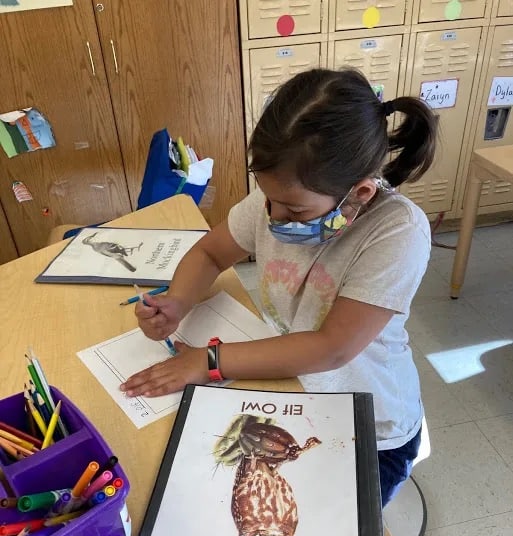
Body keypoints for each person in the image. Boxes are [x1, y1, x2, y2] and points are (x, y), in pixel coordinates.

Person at [121, 67, 438, 506]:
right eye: (267, 199)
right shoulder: (278, 197)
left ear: (360, 194)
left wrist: (209, 362)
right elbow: (210, 253)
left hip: (369, 426)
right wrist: (176, 302)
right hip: (297, 395)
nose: (273, 217)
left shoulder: (397, 231)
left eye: (293, 210)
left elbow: (331, 348)